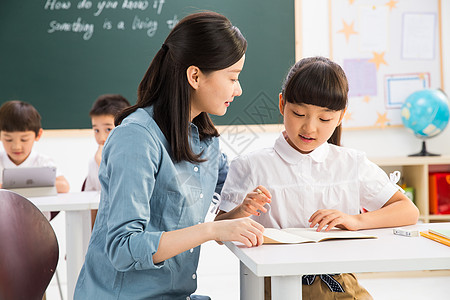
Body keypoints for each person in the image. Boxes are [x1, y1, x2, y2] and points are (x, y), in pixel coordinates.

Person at [74, 11, 264, 300]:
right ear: (195, 75)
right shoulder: (136, 138)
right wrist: (211, 230)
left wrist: (238, 214)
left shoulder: (204, 141)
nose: (239, 89)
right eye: (233, 77)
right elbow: (124, 248)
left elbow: (226, 195)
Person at [215, 56, 420, 300]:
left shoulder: (351, 163)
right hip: (276, 285)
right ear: (282, 104)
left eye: (324, 119)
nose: (310, 128)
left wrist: (355, 220)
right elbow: (218, 231)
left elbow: (408, 211)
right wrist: (241, 210)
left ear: (341, 115)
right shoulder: (251, 165)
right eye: (299, 113)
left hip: (339, 284)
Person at [0, 101, 70, 218]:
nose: (16, 146)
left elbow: (64, 186)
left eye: (24, 140)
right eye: (8, 139)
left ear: (38, 135)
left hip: (36, 228)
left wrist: (10, 186)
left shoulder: (43, 162)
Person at [85, 94, 130, 192]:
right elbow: (88, 199)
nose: (102, 138)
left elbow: (122, 191)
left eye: (108, 129)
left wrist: (102, 163)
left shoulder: (131, 159)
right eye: (96, 130)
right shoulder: (94, 162)